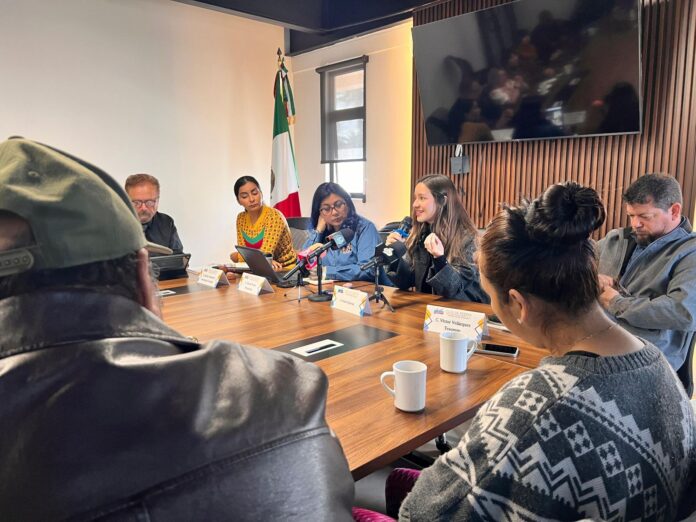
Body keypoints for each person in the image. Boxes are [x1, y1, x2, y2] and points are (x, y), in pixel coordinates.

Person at [0, 138, 354, 521]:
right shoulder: (290, 392)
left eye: (150, 201)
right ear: (143, 275)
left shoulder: (181, 223)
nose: (145, 208)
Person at [400, 182, 696, 521]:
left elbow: (421, 513)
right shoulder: (658, 364)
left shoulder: (533, 408)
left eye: (491, 296)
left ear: (518, 305)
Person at [597, 173, 696, 375]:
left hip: (646, 368)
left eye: (645, 216)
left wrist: (617, 303)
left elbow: (684, 311)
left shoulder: (690, 252)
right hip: (597, 354)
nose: (635, 224)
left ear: (674, 211)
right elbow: (573, 268)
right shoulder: (615, 239)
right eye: (631, 215)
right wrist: (591, 279)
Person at [386, 174, 487, 302]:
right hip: (428, 309)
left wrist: (439, 259)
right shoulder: (420, 235)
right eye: (415, 198)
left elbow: (453, 289)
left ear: (442, 201)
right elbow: (405, 282)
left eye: (422, 198)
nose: (415, 204)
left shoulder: (468, 239)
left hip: (463, 311)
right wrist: (395, 254)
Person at [302, 182, 382, 282]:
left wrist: (327, 272)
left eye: (339, 205)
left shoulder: (364, 228)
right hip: (330, 289)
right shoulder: (322, 234)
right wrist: (318, 232)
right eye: (326, 209)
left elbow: (368, 269)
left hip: (364, 289)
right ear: (319, 213)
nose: (334, 212)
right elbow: (302, 265)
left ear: (347, 204)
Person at [229, 175, 296, 270]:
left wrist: (236, 256)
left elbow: (264, 255)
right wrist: (261, 259)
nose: (251, 199)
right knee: (228, 277)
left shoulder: (274, 216)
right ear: (238, 201)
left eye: (255, 193)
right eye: (244, 196)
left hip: (284, 269)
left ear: (261, 193)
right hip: (257, 268)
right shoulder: (241, 218)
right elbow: (245, 253)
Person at [125, 173, 184, 254]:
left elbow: (178, 257)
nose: (144, 208)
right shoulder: (113, 226)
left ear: (157, 200)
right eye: (136, 202)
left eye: (149, 202)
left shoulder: (166, 222)